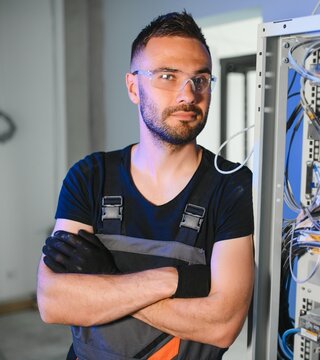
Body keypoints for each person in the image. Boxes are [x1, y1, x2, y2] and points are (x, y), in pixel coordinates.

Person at [36, 11, 254, 360]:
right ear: (133, 87)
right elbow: (54, 302)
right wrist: (172, 280)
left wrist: (106, 275)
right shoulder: (90, 176)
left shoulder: (232, 186)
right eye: (168, 76)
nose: (188, 95)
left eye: (200, 79)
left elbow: (222, 324)